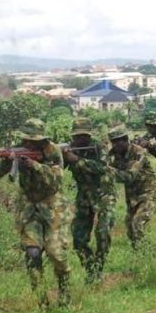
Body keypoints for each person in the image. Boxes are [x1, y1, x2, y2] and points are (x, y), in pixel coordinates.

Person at [0, 118, 72, 308]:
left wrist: (35, 166)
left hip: (53, 207)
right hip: (29, 208)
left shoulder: (52, 151)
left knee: (56, 254)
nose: (28, 143)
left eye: (33, 141)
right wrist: (6, 163)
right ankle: (40, 298)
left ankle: (65, 293)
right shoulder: (17, 150)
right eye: (26, 140)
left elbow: (57, 181)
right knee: (32, 252)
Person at [63, 118, 115, 284]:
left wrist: (77, 160)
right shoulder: (70, 148)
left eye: (83, 136)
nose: (80, 139)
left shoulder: (99, 147)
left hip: (104, 196)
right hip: (84, 198)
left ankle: (99, 267)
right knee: (78, 238)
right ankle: (91, 269)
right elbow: (55, 167)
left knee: (103, 233)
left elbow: (103, 168)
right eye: (77, 136)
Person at [108, 125, 156, 248]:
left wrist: (106, 169)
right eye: (113, 141)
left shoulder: (138, 152)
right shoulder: (113, 154)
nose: (116, 144)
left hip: (149, 192)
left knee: (137, 223)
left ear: (126, 139)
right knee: (130, 228)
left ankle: (144, 255)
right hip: (132, 195)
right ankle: (142, 252)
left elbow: (129, 176)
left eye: (119, 140)